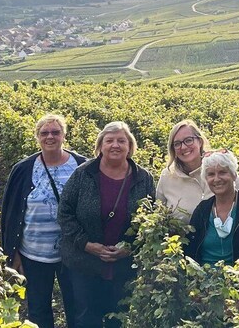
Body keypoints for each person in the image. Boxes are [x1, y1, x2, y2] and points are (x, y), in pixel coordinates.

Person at [58, 121, 155, 328]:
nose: (115, 145)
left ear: (130, 147)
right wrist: (86, 244)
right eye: (109, 140)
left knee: (118, 317)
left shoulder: (143, 178)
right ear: (100, 146)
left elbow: (150, 220)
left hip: (124, 266)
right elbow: (65, 212)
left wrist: (128, 248)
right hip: (84, 263)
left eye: (121, 141)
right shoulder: (83, 174)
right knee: (86, 317)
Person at [0, 113, 86, 328]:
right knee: (38, 310)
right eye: (44, 133)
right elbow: (9, 213)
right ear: (37, 137)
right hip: (34, 254)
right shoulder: (22, 170)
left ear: (64, 135)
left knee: (78, 308)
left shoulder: (83, 166)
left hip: (74, 253)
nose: (50, 137)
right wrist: (13, 251)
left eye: (55, 132)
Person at [185, 150, 239, 315]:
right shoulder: (202, 211)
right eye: (211, 174)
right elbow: (189, 254)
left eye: (222, 172)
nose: (217, 179)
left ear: (233, 174)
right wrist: (198, 292)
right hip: (205, 293)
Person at [156, 119, 239, 222]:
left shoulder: (220, 167)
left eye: (188, 140)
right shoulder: (167, 176)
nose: (183, 147)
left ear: (200, 141)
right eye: (177, 144)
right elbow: (158, 217)